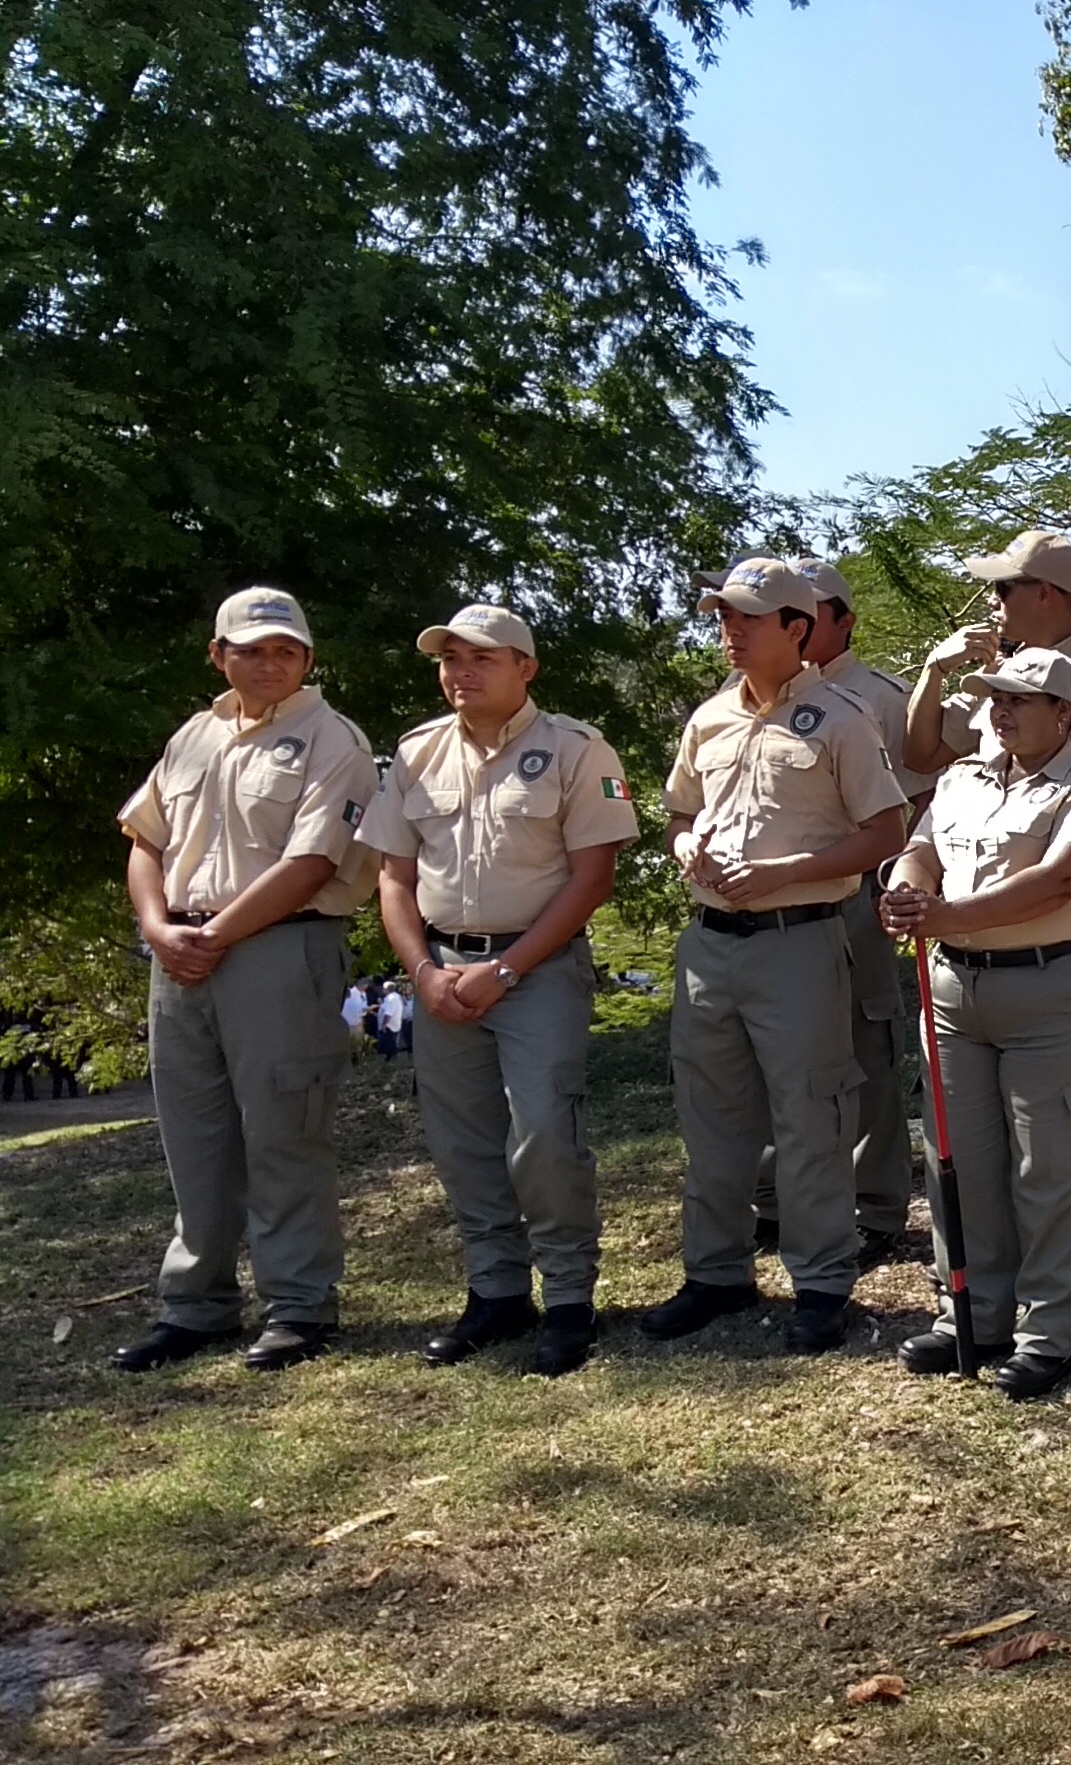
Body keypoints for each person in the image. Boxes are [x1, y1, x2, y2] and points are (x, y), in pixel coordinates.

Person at [359, 603, 640, 1376]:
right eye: (449, 659)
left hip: (537, 969)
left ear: (527, 668)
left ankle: (571, 1298)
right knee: (464, 1144)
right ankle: (496, 1293)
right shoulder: (415, 754)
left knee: (546, 1133)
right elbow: (394, 878)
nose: (461, 672)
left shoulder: (577, 750)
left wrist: (507, 969)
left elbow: (593, 878)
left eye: (481, 658)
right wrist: (422, 973)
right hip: (442, 971)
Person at [108, 587, 379, 1374]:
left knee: (285, 1133)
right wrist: (160, 931)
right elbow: (145, 841)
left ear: (307, 658)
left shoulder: (333, 739)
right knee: (194, 1137)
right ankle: (197, 1306)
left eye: (286, 650)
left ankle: (298, 1306)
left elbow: (313, 861)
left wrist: (214, 935)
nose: (270, 662)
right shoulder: (192, 738)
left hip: (278, 950)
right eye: (252, 649)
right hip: (181, 953)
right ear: (218, 654)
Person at [644, 557, 910, 1355]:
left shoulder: (841, 718)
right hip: (710, 947)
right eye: (723, 615)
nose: (729, 630)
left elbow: (885, 832)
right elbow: (677, 816)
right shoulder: (708, 720)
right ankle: (716, 1274)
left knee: (811, 1116)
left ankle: (822, 1281)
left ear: (798, 629)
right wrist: (687, 844)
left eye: (748, 618)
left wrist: (787, 872)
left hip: (799, 943)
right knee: (713, 1119)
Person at [903, 529, 1071, 1309]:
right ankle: (991, 1273)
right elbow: (924, 756)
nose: (992, 602)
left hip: (1069, 918)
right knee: (982, 1119)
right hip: (975, 939)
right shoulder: (997, 685)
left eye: (1004, 588)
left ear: (1047, 595)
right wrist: (934, 670)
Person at [879, 650, 1071, 1402]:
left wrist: (949, 913)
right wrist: (904, 891)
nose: (1002, 711)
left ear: (1064, 713)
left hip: (1052, 992)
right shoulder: (962, 779)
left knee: (1050, 1169)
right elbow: (920, 850)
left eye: (1022, 700)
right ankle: (972, 1315)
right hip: (957, 992)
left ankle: (1049, 1332)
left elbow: (1065, 878)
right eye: (995, 698)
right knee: (962, 1164)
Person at [740, 557, 936, 1272]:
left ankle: (875, 1205)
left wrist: (877, 876)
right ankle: (771, 1200)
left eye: (812, 609)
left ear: (842, 621)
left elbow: (915, 802)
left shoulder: (879, 699)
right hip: (765, 910)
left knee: (865, 1050)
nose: (794, 620)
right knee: (767, 1053)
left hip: (855, 900)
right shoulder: (742, 700)